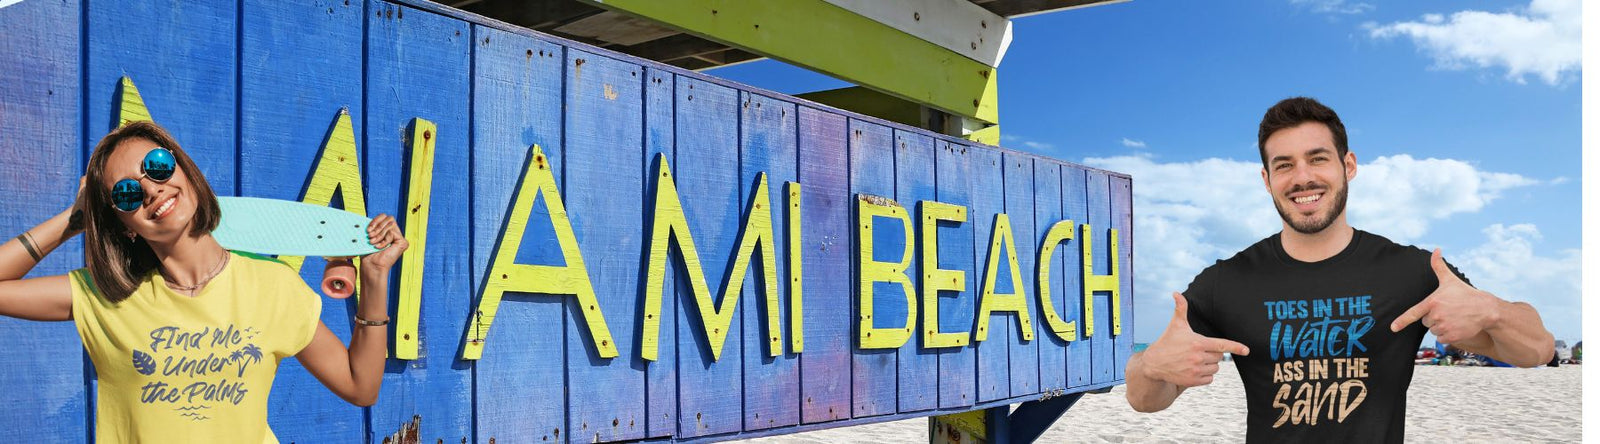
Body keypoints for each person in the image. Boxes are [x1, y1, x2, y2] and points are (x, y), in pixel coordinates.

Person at [1123, 97, 1554, 442]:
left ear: (1348, 166)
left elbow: (1536, 351)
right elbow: (1146, 400)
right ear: (1266, 179)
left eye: (1317, 158)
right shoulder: (1225, 283)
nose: (1302, 177)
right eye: (1284, 165)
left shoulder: (1416, 273)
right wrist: (1149, 366)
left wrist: (1494, 310)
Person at [0, 121, 408, 442]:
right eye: (126, 193)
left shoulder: (273, 287)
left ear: (186, 170)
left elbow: (361, 387)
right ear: (123, 225)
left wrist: (374, 279)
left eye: (158, 167)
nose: (151, 190)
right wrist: (74, 221)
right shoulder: (107, 298)